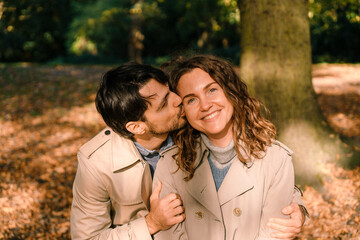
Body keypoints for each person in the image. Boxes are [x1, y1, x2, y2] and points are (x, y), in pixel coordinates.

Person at [70, 61, 307, 240]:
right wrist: (151, 223)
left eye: (171, 91)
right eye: (164, 104)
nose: (178, 101)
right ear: (137, 127)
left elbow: (255, 166)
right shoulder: (98, 163)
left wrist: (296, 206)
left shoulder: (190, 126)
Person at [153, 55, 307, 240]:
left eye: (211, 90)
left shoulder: (275, 159)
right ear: (183, 110)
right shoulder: (171, 163)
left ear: (231, 92)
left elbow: (275, 234)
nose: (205, 105)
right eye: (191, 100)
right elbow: (169, 235)